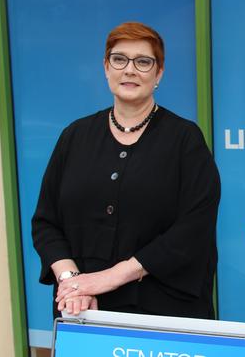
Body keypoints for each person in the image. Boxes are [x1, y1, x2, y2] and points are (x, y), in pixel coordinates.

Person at [32, 22, 220, 319]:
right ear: (106, 68)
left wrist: (112, 276)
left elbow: (194, 229)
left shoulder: (185, 140)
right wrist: (72, 282)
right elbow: (45, 222)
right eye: (119, 59)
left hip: (163, 310)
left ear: (159, 74)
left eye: (143, 62)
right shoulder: (75, 136)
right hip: (82, 307)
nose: (129, 70)